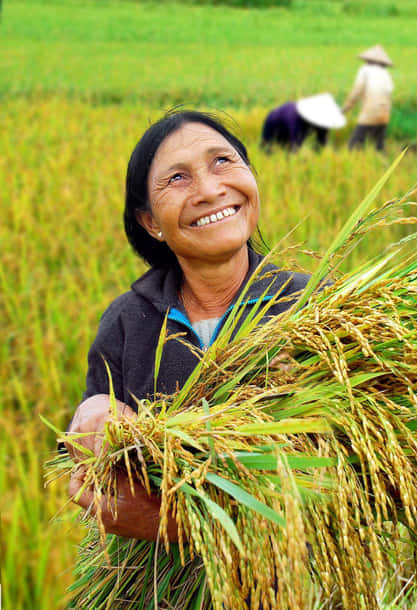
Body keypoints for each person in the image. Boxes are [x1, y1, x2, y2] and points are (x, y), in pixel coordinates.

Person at [64, 111, 312, 541]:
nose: (210, 190)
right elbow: (93, 481)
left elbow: (360, 480)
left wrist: (177, 524)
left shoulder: (316, 308)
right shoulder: (126, 323)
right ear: (150, 222)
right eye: (177, 178)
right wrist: (90, 419)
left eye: (223, 162)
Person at [342, 44, 394, 151]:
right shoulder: (386, 74)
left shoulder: (365, 70)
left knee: (353, 146)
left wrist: (345, 108)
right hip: (384, 115)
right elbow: (389, 93)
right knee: (378, 147)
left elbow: (357, 91)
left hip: (370, 114)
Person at [261, 93, 346, 152]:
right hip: (273, 123)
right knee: (268, 148)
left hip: (292, 123)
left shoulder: (322, 121)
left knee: (288, 149)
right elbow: (296, 145)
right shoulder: (294, 118)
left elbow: (321, 142)